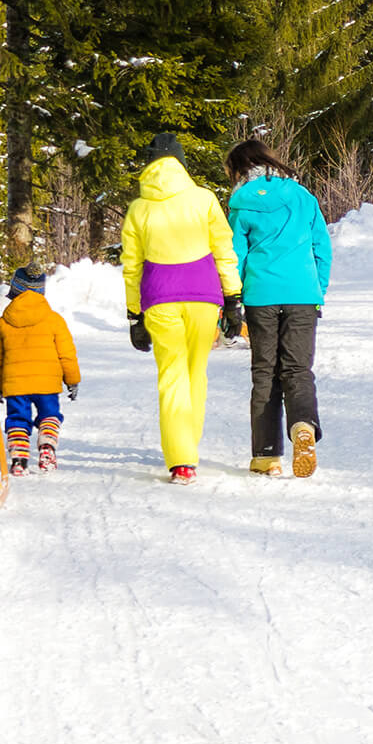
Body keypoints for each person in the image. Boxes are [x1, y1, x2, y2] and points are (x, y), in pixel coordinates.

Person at [120, 132, 242, 484]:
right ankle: (190, 448)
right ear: (181, 162)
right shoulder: (204, 200)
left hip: (159, 299)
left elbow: (132, 266)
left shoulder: (139, 208)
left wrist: (134, 315)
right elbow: (224, 249)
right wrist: (233, 298)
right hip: (204, 297)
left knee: (171, 377)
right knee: (196, 374)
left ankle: (181, 460)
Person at [226, 140, 332, 478]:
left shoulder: (240, 202)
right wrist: (318, 291)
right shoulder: (303, 197)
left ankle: (265, 455)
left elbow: (234, 256)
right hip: (302, 294)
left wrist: (233, 297)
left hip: (261, 296)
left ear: (241, 168)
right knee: (297, 370)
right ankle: (303, 426)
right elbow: (321, 249)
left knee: (265, 373)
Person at [0, 265, 82, 476]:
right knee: (49, 415)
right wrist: (72, 380)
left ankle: (19, 460)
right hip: (46, 385)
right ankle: (47, 447)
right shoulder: (54, 320)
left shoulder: (2, 324)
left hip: (15, 386)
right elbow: (67, 354)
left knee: (18, 419)